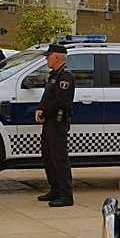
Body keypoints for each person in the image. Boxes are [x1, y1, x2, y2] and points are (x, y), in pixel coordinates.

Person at [35, 43, 75, 207]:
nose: (46, 59)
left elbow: (60, 101)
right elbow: (48, 98)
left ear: (57, 57)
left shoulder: (65, 77)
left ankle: (66, 195)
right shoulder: (54, 75)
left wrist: (44, 113)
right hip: (50, 122)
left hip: (57, 122)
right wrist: (40, 109)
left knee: (59, 159)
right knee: (48, 157)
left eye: (48, 56)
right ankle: (55, 189)